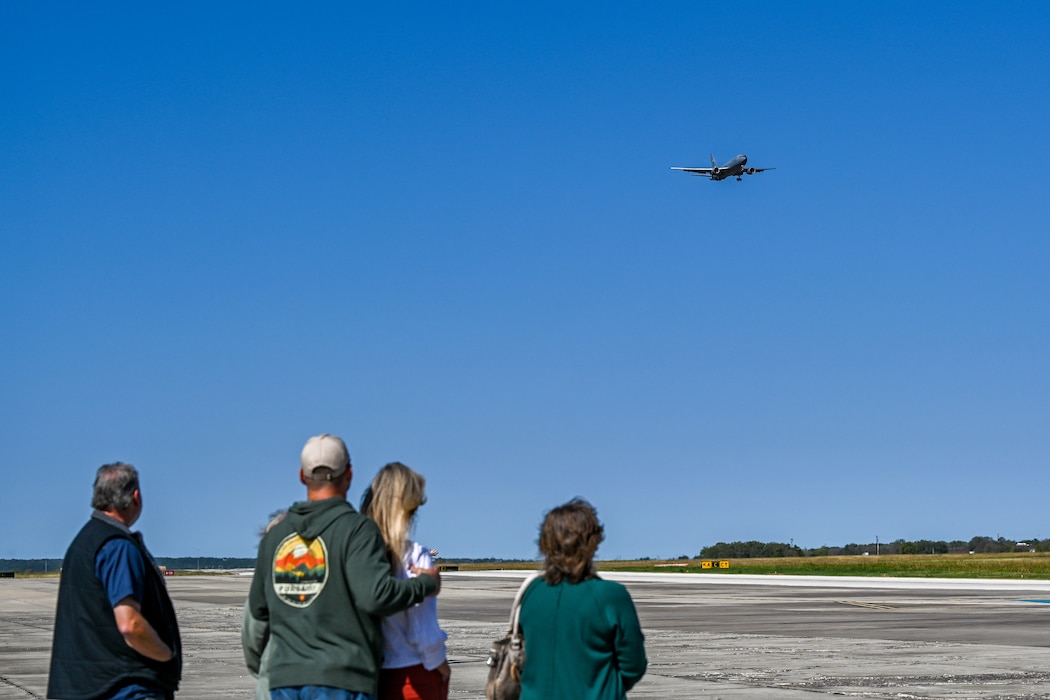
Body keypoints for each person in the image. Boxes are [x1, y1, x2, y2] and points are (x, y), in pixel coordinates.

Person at [243, 434, 442, 700]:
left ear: (302, 476)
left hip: (285, 681)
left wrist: (270, 672)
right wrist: (427, 583)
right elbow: (376, 596)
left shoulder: (276, 538)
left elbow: (257, 618)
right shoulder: (357, 530)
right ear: (348, 475)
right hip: (343, 678)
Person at [47, 462, 182, 700]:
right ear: (135, 497)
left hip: (83, 686)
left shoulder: (83, 543)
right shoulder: (118, 546)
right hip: (125, 686)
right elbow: (129, 623)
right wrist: (166, 655)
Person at [517, 499, 647, 700]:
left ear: (544, 543)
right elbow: (633, 665)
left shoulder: (531, 592)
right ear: (593, 543)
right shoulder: (610, 596)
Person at [360, 463, 449, 700]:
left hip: (371, 674)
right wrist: (439, 662)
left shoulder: (360, 556)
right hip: (415, 672)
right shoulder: (415, 556)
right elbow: (421, 628)